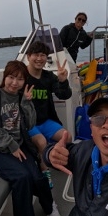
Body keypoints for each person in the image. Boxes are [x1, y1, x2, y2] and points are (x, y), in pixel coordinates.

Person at [0, 60, 61, 216]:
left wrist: (26, 102)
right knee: (22, 177)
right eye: (11, 77)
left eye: (19, 79)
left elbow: (30, 124)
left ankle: (49, 205)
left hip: (19, 145)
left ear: (24, 82)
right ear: (5, 77)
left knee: (37, 176)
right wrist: (11, 145)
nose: (14, 83)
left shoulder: (20, 96)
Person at [26, 41, 73, 181]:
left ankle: (58, 160)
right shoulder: (22, 76)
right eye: (36, 55)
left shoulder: (49, 77)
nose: (39, 58)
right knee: (41, 142)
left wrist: (63, 81)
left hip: (45, 121)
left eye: (43, 55)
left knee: (67, 136)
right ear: (28, 57)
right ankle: (45, 174)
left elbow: (64, 95)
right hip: (29, 123)